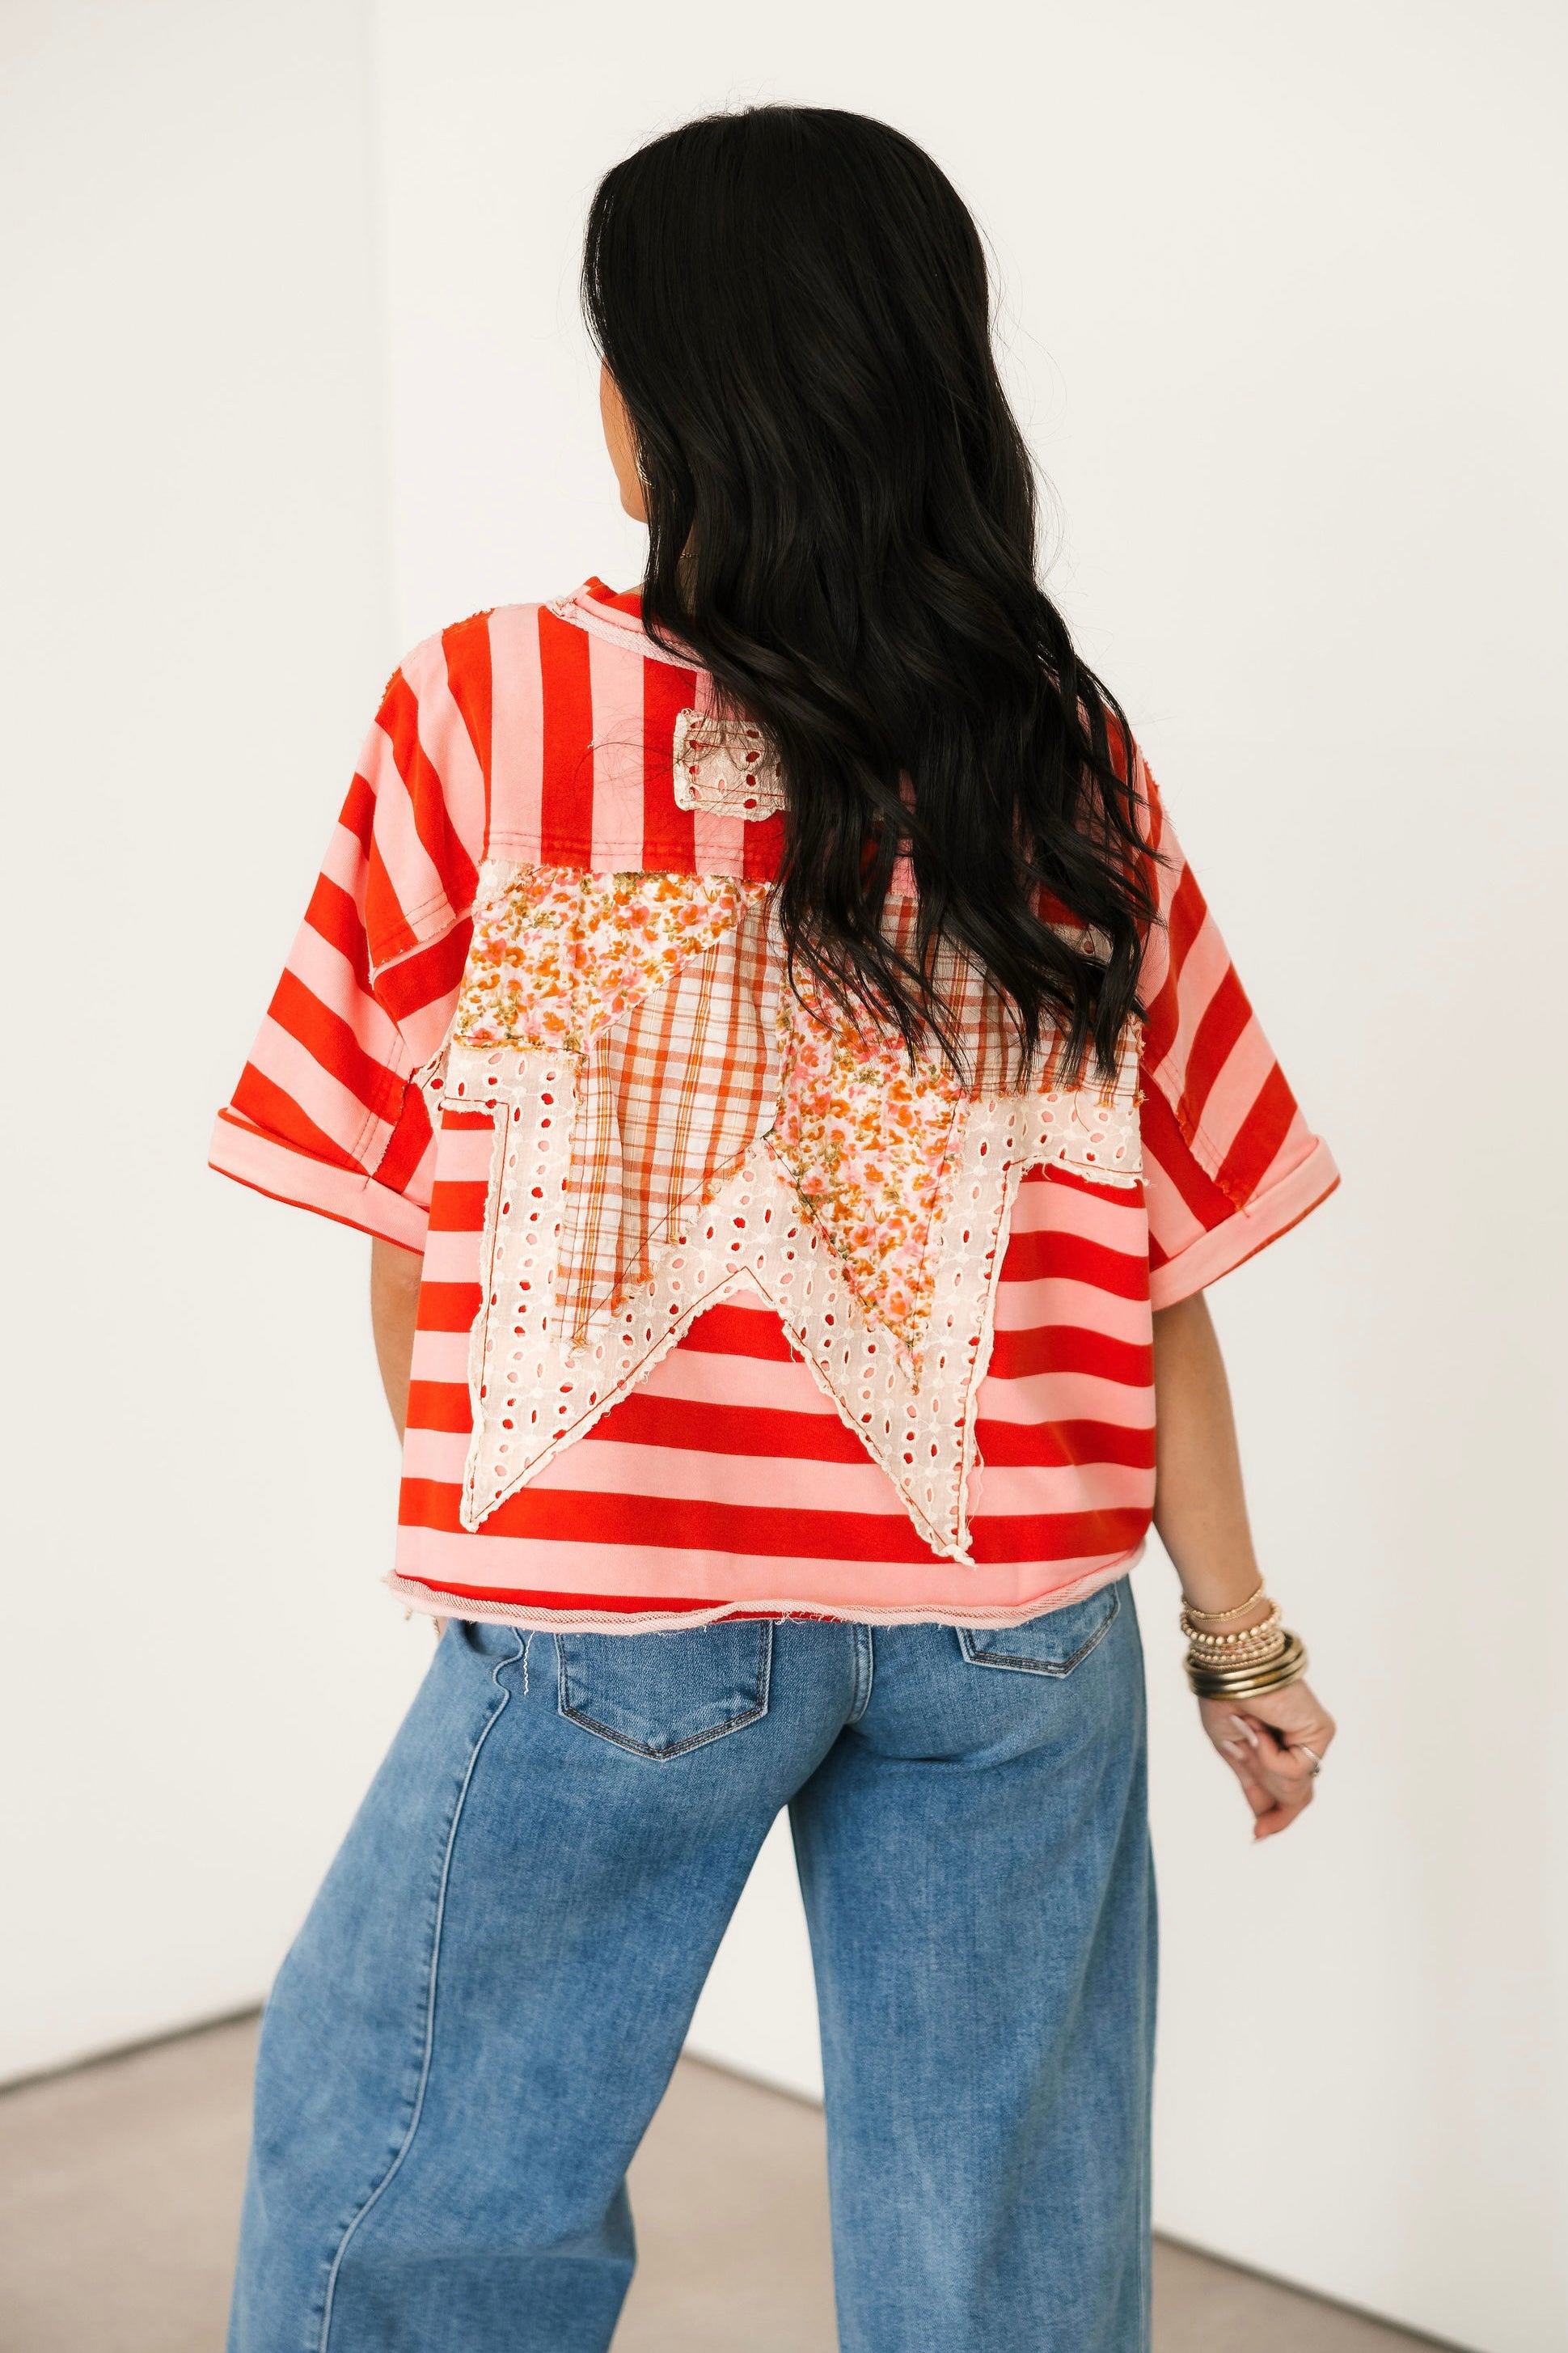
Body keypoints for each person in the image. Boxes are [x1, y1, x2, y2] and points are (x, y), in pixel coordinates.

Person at [212, 104, 1338, 2353]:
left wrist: (509, 1572)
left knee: (412, 2192)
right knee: (1008, 2254)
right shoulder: (1055, 753)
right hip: (1018, 1629)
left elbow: (399, 1208)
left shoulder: (485, 708)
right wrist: (1237, 1638)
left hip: (615, 1609)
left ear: (681, 395)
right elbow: (1154, 1263)